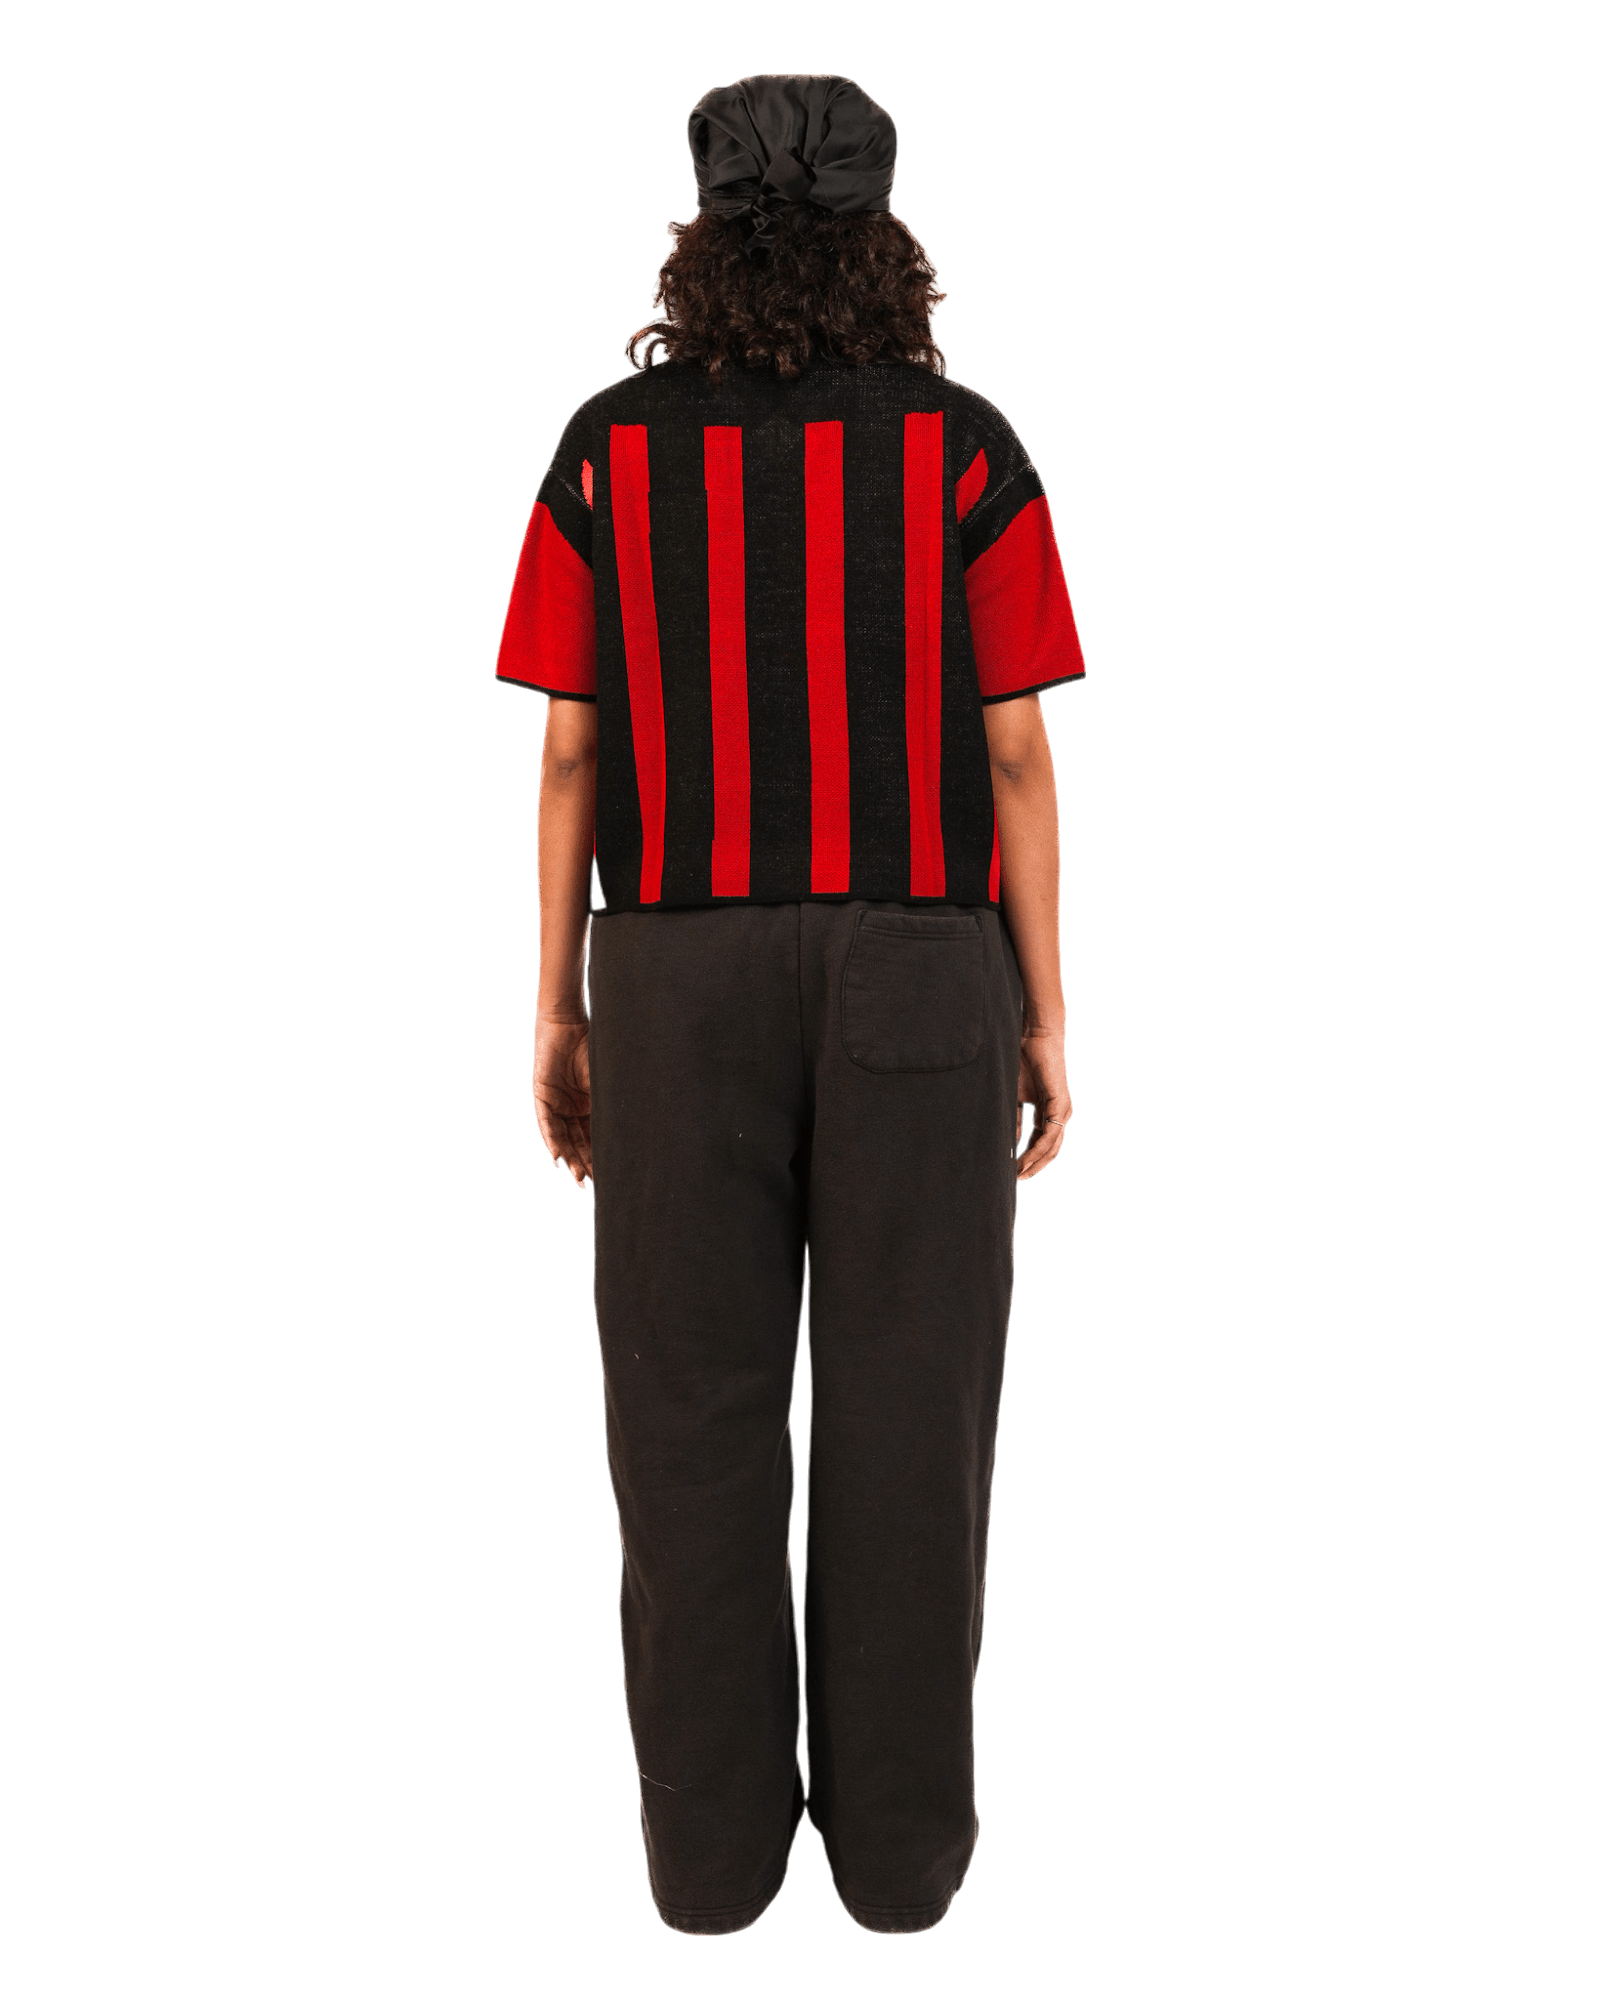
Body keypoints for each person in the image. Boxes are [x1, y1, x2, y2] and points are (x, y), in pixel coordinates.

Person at [494, 73, 1087, 1937]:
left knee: (686, 1422)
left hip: (669, 970)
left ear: (702, 239)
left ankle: (709, 1869)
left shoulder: (604, 454)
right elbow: (1015, 752)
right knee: (916, 1416)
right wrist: (1048, 1011)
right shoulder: (968, 450)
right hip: (923, 964)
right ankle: (903, 1874)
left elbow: (571, 750)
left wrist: (556, 1007)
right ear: (883, 236)